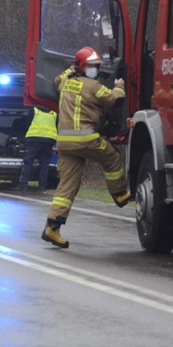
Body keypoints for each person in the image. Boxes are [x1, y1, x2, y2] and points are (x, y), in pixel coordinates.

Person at [42, 47, 131, 248]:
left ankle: (52, 227)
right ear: (83, 67)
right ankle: (119, 193)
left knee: (67, 185)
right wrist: (119, 85)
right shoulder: (93, 86)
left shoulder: (66, 82)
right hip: (86, 139)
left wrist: (70, 70)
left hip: (65, 143)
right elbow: (114, 99)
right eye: (92, 66)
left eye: (97, 66)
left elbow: (57, 80)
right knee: (112, 157)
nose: (96, 70)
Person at [17, 106, 57, 192]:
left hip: (34, 139)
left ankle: (23, 185)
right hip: (49, 141)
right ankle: (42, 186)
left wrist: (24, 139)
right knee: (44, 164)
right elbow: (56, 126)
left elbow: (27, 125)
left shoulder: (34, 110)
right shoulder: (54, 112)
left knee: (28, 162)